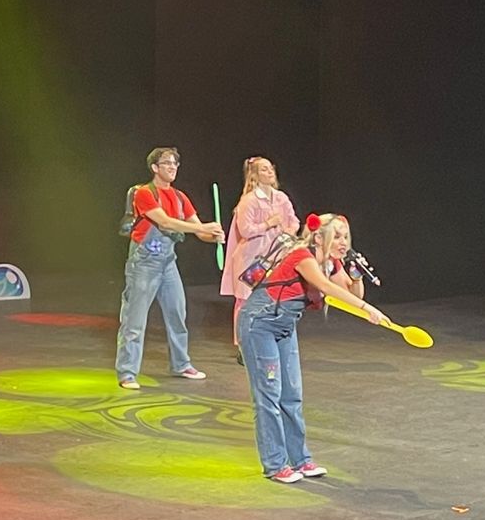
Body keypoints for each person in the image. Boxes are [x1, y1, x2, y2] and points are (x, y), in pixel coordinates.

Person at [238, 212, 386, 484]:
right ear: (319, 237)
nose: (343, 242)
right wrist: (367, 310)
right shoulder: (302, 256)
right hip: (260, 323)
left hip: (284, 327)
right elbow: (326, 288)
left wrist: (355, 274)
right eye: (337, 236)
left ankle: (301, 460)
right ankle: (275, 464)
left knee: (292, 395)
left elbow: (353, 295)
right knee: (269, 396)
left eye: (346, 237)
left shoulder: (332, 264)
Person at [114, 147, 225, 389]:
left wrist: (213, 234)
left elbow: (197, 229)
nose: (173, 167)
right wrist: (203, 228)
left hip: (167, 263)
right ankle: (127, 372)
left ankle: (181, 364)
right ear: (155, 167)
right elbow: (164, 221)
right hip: (144, 263)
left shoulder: (179, 197)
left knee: (177, 314)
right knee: (135, 320)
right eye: (167, 163)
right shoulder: (144, 193)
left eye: (175, 163)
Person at [219, 157, 300, 358]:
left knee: (272, 297)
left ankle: (268, 338)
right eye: (264, 169)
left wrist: (288, 233)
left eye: (271, 168)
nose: (270, 172)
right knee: (246, 300)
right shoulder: (249, 200)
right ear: (255, 175)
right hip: (252, 259)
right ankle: (242, 344)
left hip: (276, 256)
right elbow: (245, 230)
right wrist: (269, 224)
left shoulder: (281, 198)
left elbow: (294, 221)